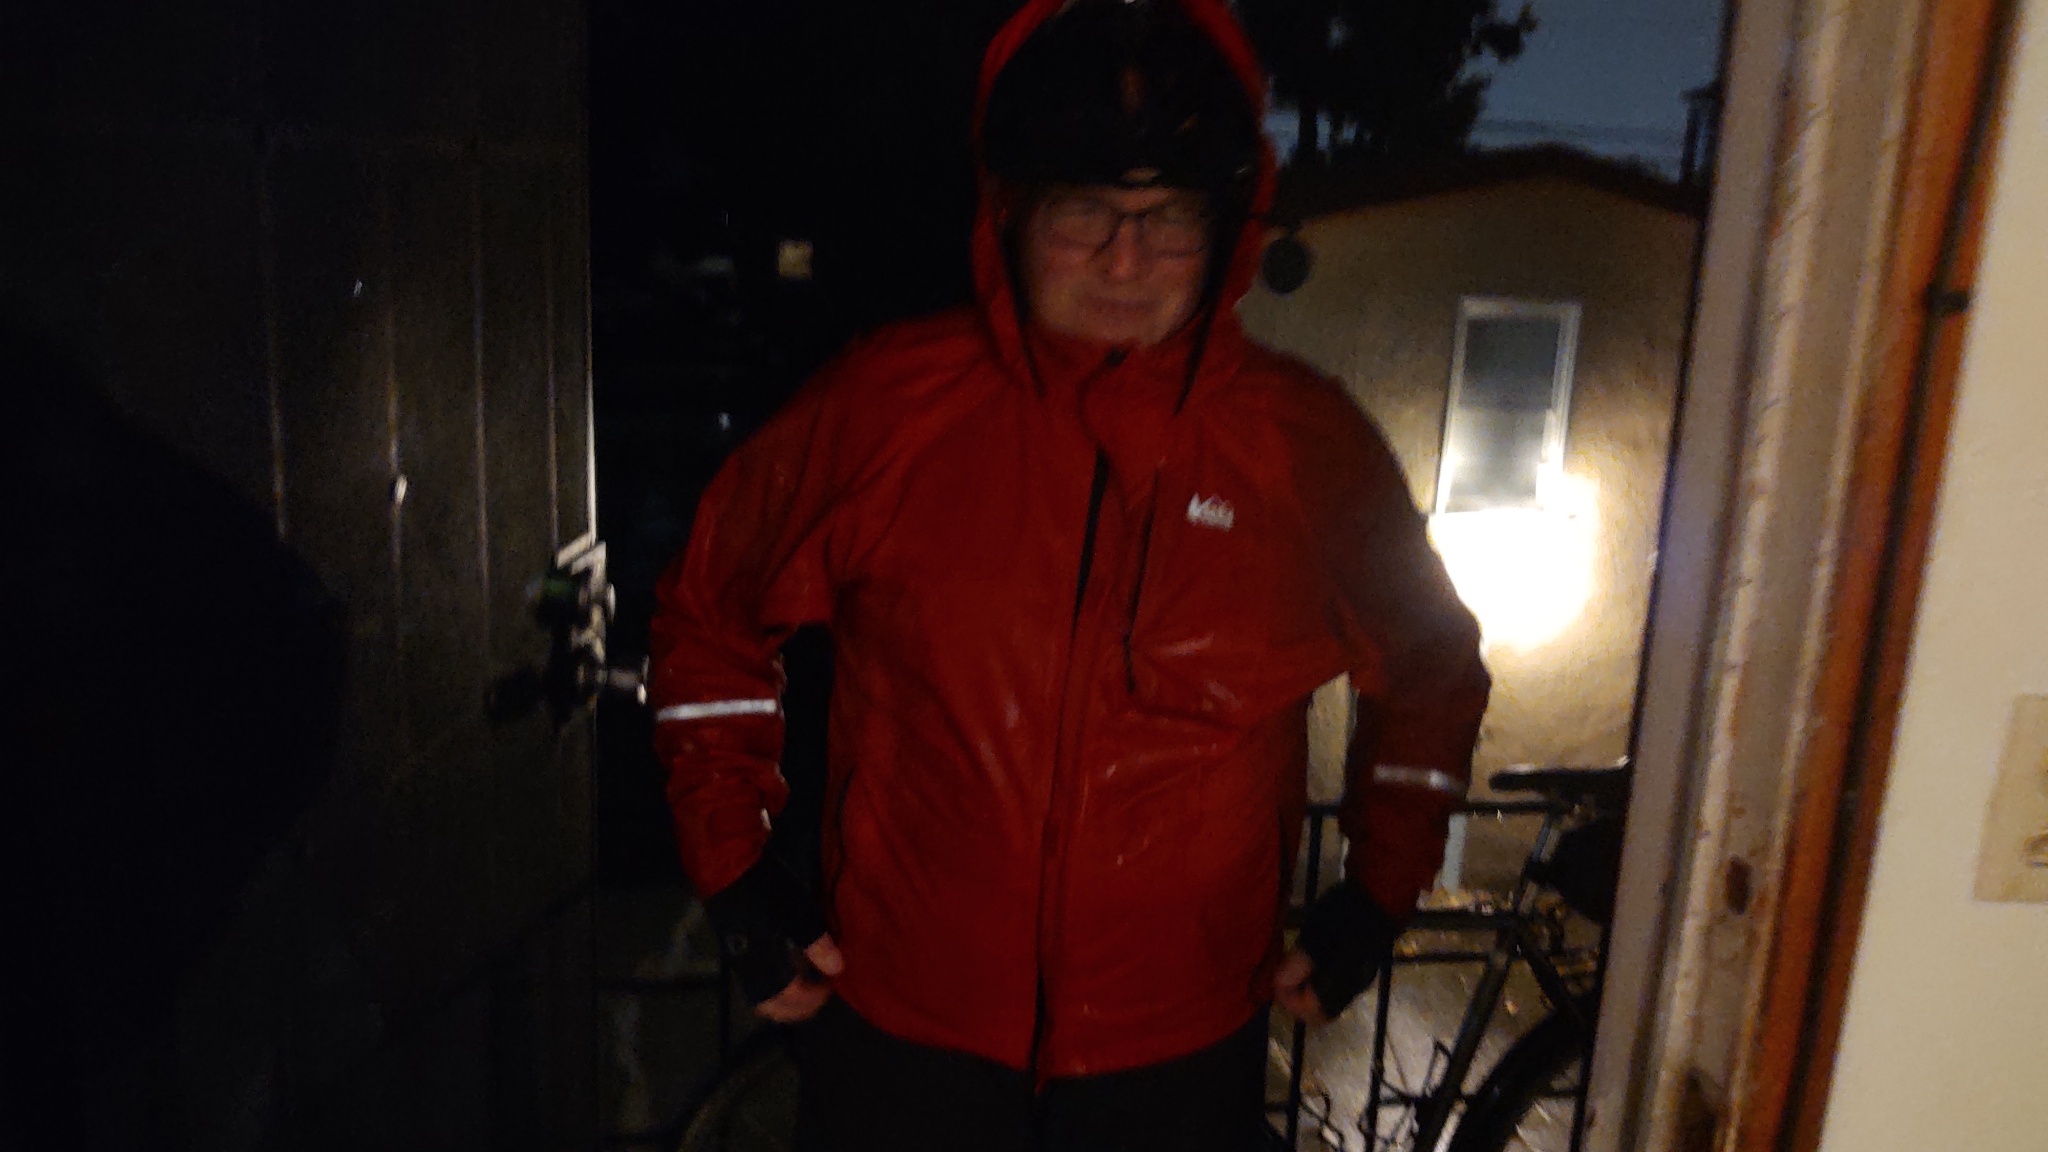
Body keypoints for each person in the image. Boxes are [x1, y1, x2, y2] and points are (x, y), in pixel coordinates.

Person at [647, 1, 1491, 1148]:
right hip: (905, 1045)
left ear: (1228, 224)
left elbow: (1430, 667)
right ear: (1010, 212)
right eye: (1083, 209)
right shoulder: (886, 409)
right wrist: (734, 869)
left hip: (1177, 1060)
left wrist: (1378, 893)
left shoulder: (1307, 448)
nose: (1123, 259)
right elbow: (710, 611)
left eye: (1167, 216)